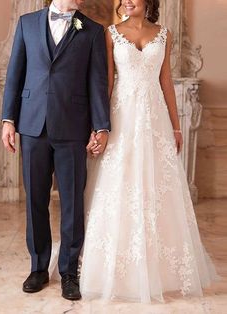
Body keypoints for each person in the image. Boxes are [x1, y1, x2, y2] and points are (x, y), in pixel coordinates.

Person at [80, 0, 218, 303]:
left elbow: (165, 81)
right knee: (120, 184)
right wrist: (98, 124)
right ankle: (116, 269)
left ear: (148, 1)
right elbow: (107, 81)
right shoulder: (111, 33)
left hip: (154, 117)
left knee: (159, 187)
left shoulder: (164, 34)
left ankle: (160, 268)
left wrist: (176, 125)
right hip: (122, 116)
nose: (127, 1)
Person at [1, 0, 110, 300]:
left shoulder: (92, 31)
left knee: (73, 202)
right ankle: (38, 267)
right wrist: (8, 120)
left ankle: (69, 272)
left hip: (73, 128)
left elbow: (97, 81)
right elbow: (15, 74)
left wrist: (101, 125)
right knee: (35, 199)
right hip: (32, 125)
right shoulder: (27, 24)